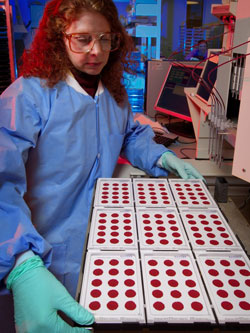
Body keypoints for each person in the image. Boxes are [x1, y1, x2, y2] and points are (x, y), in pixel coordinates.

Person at [0, 0, 204, 331]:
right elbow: (1, 184)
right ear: (58, 38)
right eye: (82, 39)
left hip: (104, 248)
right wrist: (20, 261)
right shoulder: (27, 97)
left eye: (105, 39)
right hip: (42, 257)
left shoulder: (112, 93)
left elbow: (130, 133)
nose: (96, 51)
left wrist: (160, 156)